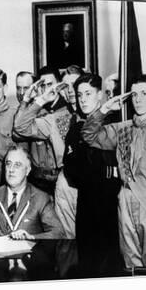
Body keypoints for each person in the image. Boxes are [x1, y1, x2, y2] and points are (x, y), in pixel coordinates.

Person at [82, 74, 146, 268]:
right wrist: (104, 109)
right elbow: (89, 135)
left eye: (144, 93)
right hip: (125, 199)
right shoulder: (123, 129)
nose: (138, 99)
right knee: (130, 264)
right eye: (134, 94)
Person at [63, 74, 122, 276]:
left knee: (111, 262)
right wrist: (100, 172)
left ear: (100, 95)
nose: (83, 99)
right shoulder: (76, 128)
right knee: (87, 262)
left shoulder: (114, 123)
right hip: (86, 201)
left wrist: (98, 171)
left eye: (88, 94)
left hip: (111, 202)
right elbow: (71, 169)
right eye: (80, 95)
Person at [13, 67, 73, 195]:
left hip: (60, 179)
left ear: (59, 85)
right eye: (43, 86)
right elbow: (17, 130)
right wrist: (26, 101)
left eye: (50, 84)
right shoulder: (35, 109)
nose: (47, 90)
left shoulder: (67, 111)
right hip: (37, 180)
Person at [52, 65, 83, 238]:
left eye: (75, 85)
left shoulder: (100, 116)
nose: (70, 91)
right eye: (65, 87)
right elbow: (21, 126)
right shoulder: (57, 116)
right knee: (67, 243)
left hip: (91, 185)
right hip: (66, 186)